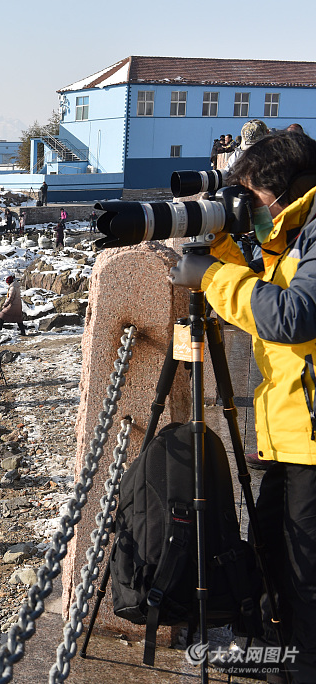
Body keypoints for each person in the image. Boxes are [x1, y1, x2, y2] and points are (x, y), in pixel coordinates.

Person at [169, 131, 316, 679]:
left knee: (306, 572)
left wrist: (211, 276)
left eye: (247, 198)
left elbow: (292, 316)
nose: (245, 210)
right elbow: (258, 304)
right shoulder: (290, 234)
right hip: (293, 432)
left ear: (281, 191)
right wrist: (222, 246)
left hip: (310, 437)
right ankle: (278, 651)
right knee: (275, 549)